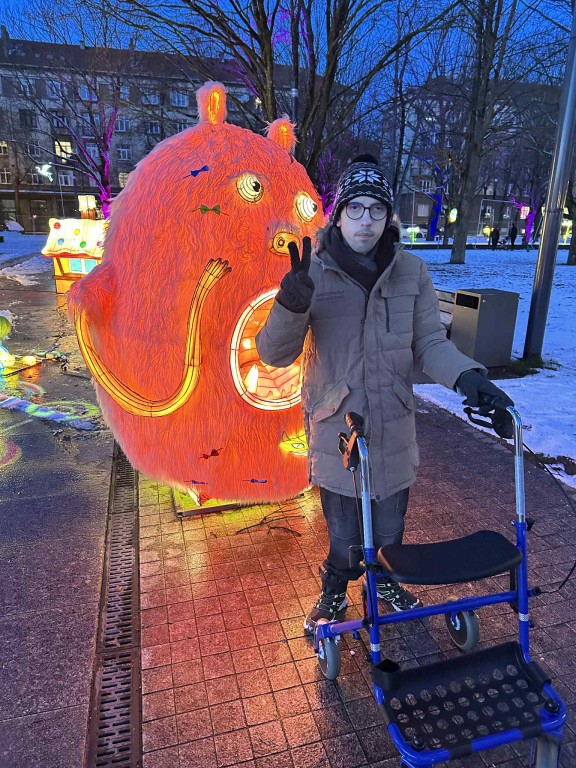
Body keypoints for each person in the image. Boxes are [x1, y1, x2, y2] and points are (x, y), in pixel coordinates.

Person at [256, 155, 514, 634]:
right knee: (344, 533)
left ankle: (388, 581)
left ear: (388, 216)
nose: (366, 220)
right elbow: (274, 354)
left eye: (377, 209)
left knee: (391, 526)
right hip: (337, 430)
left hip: (393, 426)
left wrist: (467, 377)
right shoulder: (313, 272)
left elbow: (429, 343)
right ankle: (336, 588)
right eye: (355, 208)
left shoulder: (410, 272)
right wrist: (291, 302)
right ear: (338, 215)